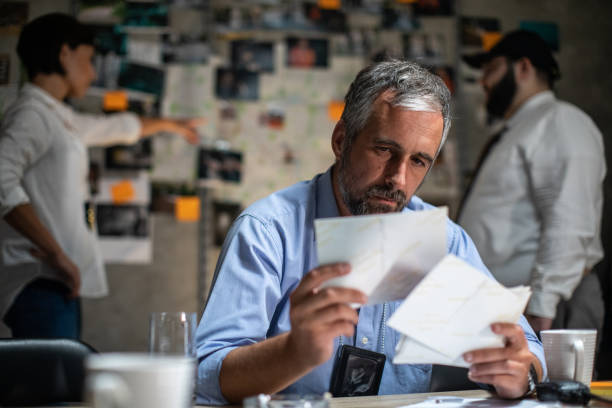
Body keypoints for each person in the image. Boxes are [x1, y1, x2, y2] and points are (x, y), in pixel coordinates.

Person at [195, 60, 546, 405]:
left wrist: (522, 372)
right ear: (341, 140)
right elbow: (208, 376)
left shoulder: (445, 242)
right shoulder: (267, 232)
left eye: (418, 161)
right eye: (384, 150)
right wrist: (294, 352)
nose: (398, 178)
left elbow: (528, 350)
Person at [0, 13, 202, 339]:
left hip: (57, 280)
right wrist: (55, 253)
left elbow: (115, 128)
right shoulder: (31, 114)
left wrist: (170, 125)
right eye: (89, 59)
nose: (93, 72)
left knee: (60, 381)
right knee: (49, 385)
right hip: (40, 279)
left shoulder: (57, 116)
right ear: (64, 53)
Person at [459, 30, 606, 334]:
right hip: (508, 306)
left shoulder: (560, 121)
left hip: (547, 308)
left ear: (523, 68)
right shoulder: (518, 130)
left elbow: (569, 219)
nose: (483, 81)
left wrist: (542, 305)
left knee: (553, 384)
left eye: (491, 69)